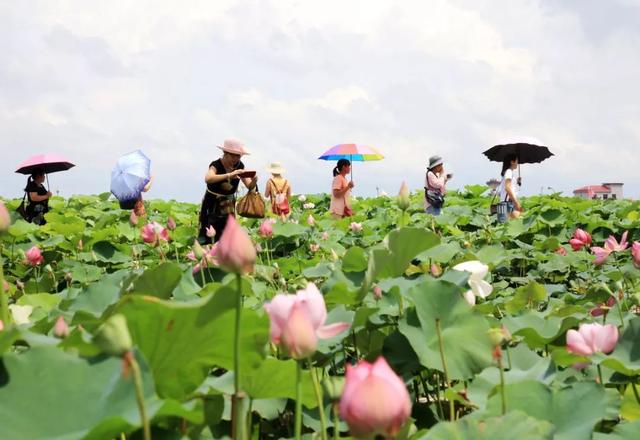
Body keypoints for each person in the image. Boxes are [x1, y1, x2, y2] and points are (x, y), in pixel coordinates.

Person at [198, 138, 257, 243]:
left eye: (238, 156)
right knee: (208, 231)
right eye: (232, 155)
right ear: (225, 153)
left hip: (228, 204)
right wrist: (229, 175)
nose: (235, 159)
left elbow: (249, 186)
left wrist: (254, 180)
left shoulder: (240, 166)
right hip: (212, 202)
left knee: (227, 233)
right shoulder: (216, 165)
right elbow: (208, 178)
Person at [497, 154, 523, 222]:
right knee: (518, 221)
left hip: (507, 203)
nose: (517, 163)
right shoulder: (509, 172)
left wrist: (517, 181)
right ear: (512, 162)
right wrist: (516, 202)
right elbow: (507, 188)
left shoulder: (508, 172)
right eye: (517, 161)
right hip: (508, 203)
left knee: (509, 226)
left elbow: (510, 186)